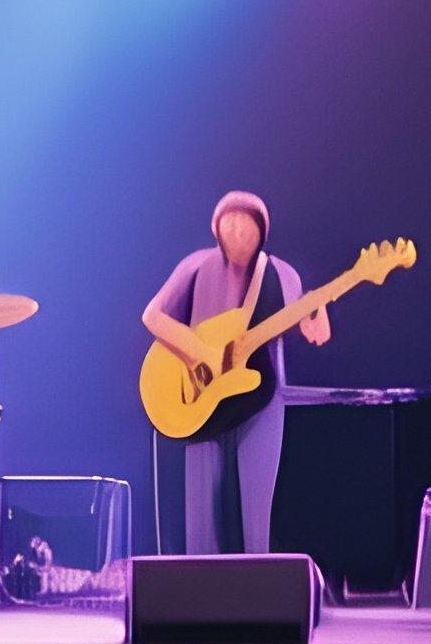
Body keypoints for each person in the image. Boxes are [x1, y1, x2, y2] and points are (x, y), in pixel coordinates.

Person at [141, 190, 329, 555]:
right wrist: (201, 352)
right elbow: (153, 315)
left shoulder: (281, 273)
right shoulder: (197, 265)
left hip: (261, 396)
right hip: (202, 394)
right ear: (216, 229)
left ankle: (258, 585)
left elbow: (314, 330)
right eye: (231, 226)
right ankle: (199, 592)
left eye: (248, 228)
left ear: (263, 232)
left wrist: (317, 313)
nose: (240, 235)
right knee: (201, 511)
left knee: (257, 503)